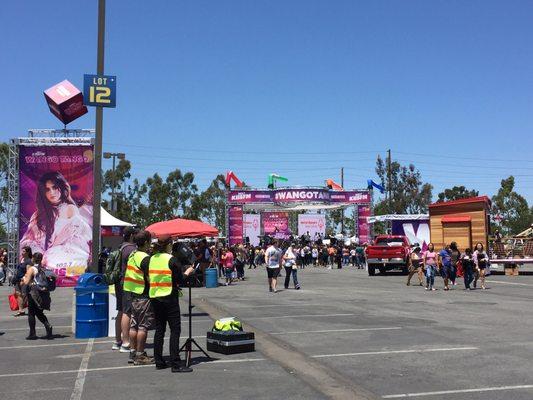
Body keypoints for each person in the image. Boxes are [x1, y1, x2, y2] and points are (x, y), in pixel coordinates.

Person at [142, 235, 195, 372]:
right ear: (169, 245)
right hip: (169, 297)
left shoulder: (150, 259)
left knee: (160, 329)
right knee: (175, 330)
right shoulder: (172, 260)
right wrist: (188, 272)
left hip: (155, 297)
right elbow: (180, 279)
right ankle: (175, 364)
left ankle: (159, 361)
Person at [19, 171, 91, 270]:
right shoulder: (38, 215)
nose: (52, 192)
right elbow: (30, 241)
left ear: (61, 187)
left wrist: (52, 249)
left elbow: (74, 242)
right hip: (41, 259)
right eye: (47, 189)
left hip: (61, 256)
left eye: (54, 187)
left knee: (52, 258)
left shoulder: (70, 209)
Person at [124, 230, 154, 365]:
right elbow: (150, 276)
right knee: (143, 326)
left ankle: (133, 352)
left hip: (133, 294)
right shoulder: (144, 258)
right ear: (146, 242)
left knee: (133, 325)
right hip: (143, 295)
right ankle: (140, 355)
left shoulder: (133, 254)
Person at [112, 226, 138, 353]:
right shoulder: (132, 249)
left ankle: (118, 341)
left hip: (119, 282)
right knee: (127, 312)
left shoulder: (121, 247)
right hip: (127, 284)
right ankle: (126, 342)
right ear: (132, 235)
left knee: (121, 311)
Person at [22, 252, 52, 340]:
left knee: (31, 312)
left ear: (33, 259)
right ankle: (48, 326)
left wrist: (24, 278)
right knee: (39, 312)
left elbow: (27, 282)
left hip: (33, 293)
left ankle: (32, 333)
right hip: (43, 292)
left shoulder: (32, 268)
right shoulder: (44, 268)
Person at [12, 246, 32, 316]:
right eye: (22, 251)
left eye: (23, 251)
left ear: (28, 252)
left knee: (25, 295)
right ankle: (21, 310)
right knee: (18, 294)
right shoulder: (22, 259)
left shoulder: (29, 261)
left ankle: (32, 309)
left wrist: (23, 280)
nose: (22, 253)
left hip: (23, 280)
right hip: (17, 280)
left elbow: (28, 272)